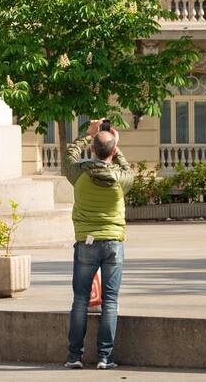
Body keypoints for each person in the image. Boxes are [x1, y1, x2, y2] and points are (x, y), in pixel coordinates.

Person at [62, 119, 133, 371]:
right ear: (112, 152)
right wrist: (114, 143)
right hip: (113, 243)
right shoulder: (121, 179)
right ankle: (105, 357)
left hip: (86, 243)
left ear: (92, 149)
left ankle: (74, 356)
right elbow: (127, 169)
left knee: (80, 300)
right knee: (110, 301)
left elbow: (68, 155)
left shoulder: (79, 173)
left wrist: (88, 134)